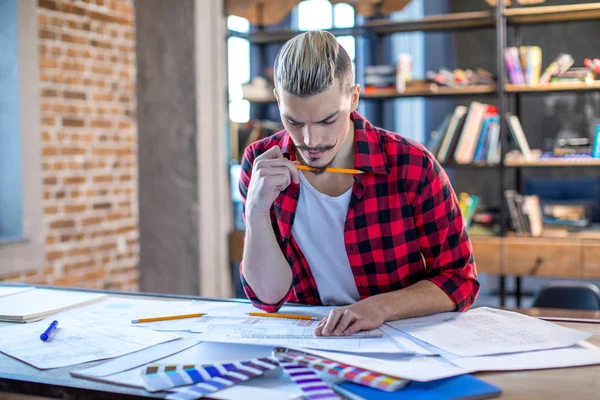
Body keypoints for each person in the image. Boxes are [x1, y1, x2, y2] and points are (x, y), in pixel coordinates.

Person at [238, 30, 479, 337]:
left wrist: (380, 306)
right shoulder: (261, 162)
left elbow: (460, 280)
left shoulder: (412, 165)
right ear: (277, 101)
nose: (311, 141)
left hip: (396, 337)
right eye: (294, 121)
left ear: (353, 98)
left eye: (328, 120)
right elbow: (267, 298)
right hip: (308, 340)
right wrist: (256, 211)